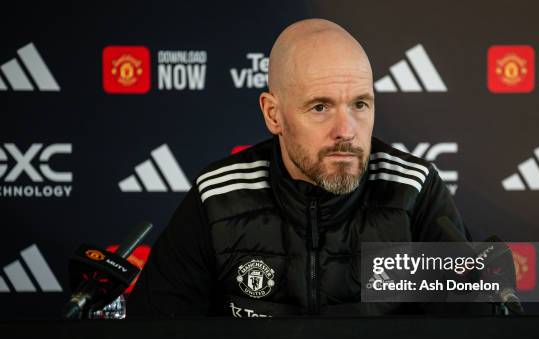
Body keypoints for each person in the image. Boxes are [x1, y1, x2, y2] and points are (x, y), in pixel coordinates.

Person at [128, 18, 480, 317]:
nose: (346, 130)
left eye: (360, 104)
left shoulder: (412, 192)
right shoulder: (219, 197)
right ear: (272, 114)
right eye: (320, 107)